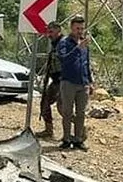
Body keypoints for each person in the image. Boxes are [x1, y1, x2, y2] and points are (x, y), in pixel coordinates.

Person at [57, 16, 94, 150]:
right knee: (67, 112)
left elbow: (86, 63)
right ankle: (66, 139)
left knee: (81, 113)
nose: (80, 31)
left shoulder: (84, 45)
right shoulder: (64, 43)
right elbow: (63, 59)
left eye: (82, 28)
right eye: (77, 28)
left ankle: (78, 139)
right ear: (71, 28)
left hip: (83, 83)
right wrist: (77, 48)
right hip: (68, 83)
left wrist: (90, 82)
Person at [36, 22, 64, 138]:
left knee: (62, 109)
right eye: (48, 32)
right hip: (56, 81)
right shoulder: (55, 44)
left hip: (63, 81)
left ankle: (80, 127)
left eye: (51, 32)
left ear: (58, 31)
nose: (49, 35)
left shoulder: (64, 44)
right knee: (45, 102)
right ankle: (48, 130)